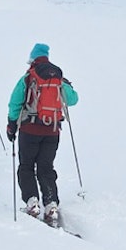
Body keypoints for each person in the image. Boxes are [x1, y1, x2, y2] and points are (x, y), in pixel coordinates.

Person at [6, 43, 78, 227]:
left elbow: (15, 103)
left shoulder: (29, 77)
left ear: (32, 59)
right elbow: (73, 99)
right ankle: (51, 204)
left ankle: (32, 202)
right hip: (52, 130)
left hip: (29, 130)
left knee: (26, 167)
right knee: (46, 167)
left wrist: (12, 125)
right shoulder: (57, 78)